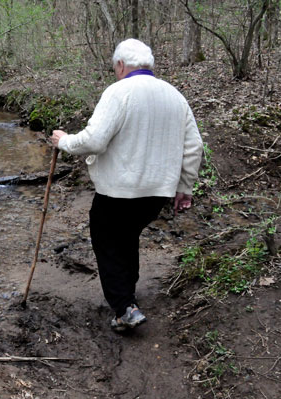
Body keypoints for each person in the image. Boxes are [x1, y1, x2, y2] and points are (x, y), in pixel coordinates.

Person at [50, 38, 203, 332]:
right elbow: (194, 146)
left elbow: (94, 140)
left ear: (120, 65)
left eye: (114, 68)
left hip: (119, 191)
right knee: (126, 237)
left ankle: (123, 309)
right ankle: (128, 295)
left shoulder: (119, 92)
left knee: (107, 240)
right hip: (157, 191)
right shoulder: (175, 96)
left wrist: (64, 141)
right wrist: (185, 187)